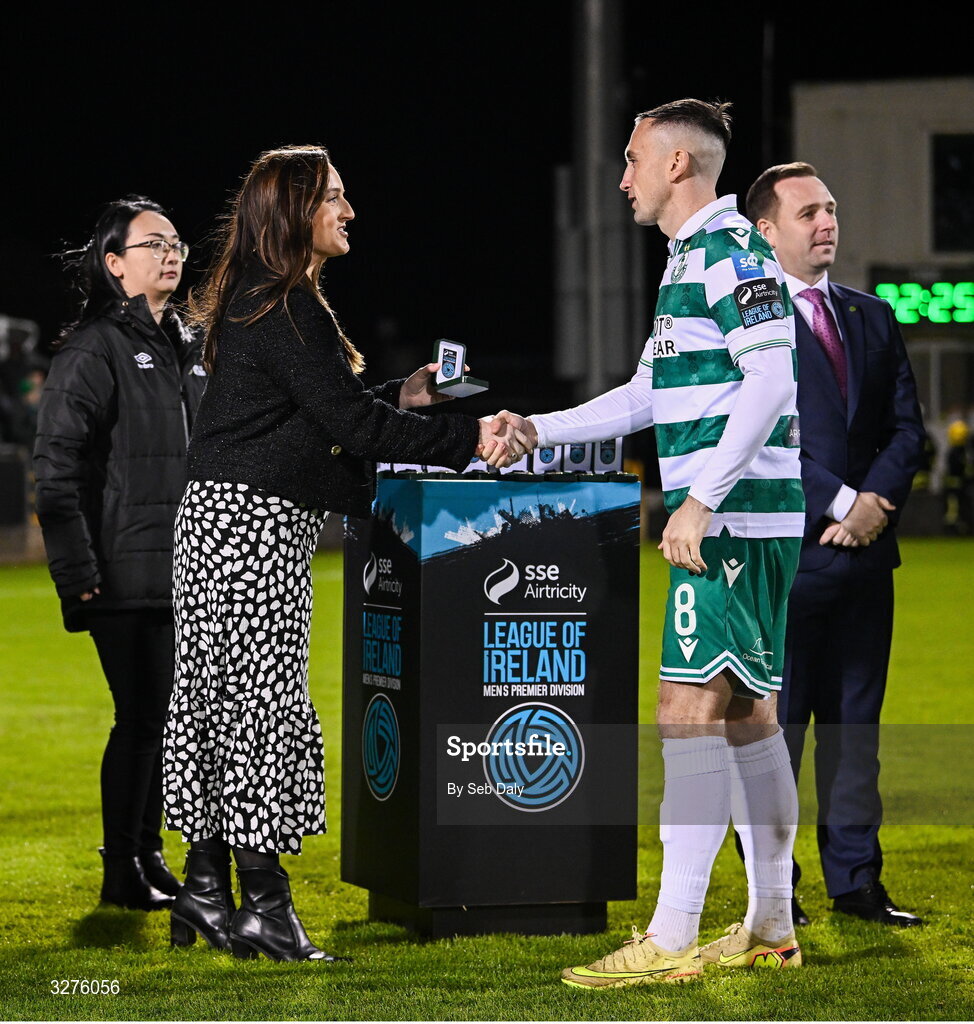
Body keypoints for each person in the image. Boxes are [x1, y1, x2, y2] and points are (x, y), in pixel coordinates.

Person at [162, 145, 520, 962]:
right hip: (246, 531)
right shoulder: (288, 306)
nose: (349, 211)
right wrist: (469, 437)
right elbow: (351, 432)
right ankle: (261, 904)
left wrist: (406, 397)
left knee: (222, 709)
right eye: (334, 198)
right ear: (294, 212)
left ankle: (206, 891)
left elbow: (319, 414)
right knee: (256, 711)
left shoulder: (268, 301)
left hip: (227, 524)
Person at [491, 99, 805, 987]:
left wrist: (699, 500)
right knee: (748, 719)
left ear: (676, 164)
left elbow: (772, 376)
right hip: (750, 521)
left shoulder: (731, 250)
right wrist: (539, 428)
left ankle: (670, 937)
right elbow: (646, 397)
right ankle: (771, 926)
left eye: (632, 160)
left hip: (733, 525)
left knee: (686, 712)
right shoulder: (688, 264)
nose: (622, 177)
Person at [744, 162, 926, 926]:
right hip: (789, 561)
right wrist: (847, 501)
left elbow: (906, 427)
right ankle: (776, 895)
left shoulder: (872, 315)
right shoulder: (747, 324)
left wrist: (875, 504)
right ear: (766, 230)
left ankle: (857, 884)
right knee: (777, 739)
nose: (827, 223)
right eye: (809, 212)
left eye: (832, 210)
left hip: (865, 559)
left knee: (856, 734)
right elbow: (761, 440)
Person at [33, 196, 206, 910]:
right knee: (140, 718)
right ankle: (121, 872)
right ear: (113, 264)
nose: (171, 253)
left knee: (162, 721)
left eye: (177, 243)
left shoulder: (189, 344)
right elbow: (54, 473)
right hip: (122, 574)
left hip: (180, 571)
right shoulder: (93, 349)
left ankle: (148, 856)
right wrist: (80, 580)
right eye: (153, 243)